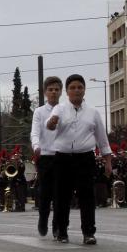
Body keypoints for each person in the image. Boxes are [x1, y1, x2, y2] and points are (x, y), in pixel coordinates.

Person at [47, 74, 112, 245]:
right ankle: (62, 231)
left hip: (85, 158)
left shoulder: (93, 112)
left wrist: (108, 161)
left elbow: (102, 139)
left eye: (80, 87)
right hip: (63, 158)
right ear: (67, 91)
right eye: (72, 87)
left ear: (84, 90)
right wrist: (52, 122)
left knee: (87, 196)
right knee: (62, 196)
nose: (76, 90)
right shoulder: (59, 109)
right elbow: (50, 124)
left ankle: (88, 232)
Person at [30, 76, 61, 235]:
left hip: (62, 157)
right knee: (45, 193)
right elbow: (35, 132)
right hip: (45, 157)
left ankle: (58, 226)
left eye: (56, 89)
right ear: (45, 92)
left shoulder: (65, 109)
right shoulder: (39, 112)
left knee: (60, 194)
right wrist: (36, 146)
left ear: (60, 92)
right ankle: (43, 219)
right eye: (50, 89)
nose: (53, 92)